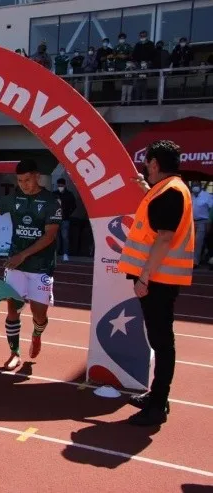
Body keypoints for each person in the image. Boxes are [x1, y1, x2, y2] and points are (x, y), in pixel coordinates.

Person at [119, 140, 195, 426]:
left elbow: (164, 237)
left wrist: (144, 276)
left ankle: (158, 403)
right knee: (159, 340)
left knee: (162, 343)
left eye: (147, 164)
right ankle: (156, 396)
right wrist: (145, 189)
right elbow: (160, 220)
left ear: (154, 163)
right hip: (159, 279)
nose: (146, 169)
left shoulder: (170, 192)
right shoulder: (166, 189)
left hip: (159, 280)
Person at [0, 159, 62, 371]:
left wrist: (23, 255)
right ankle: (14, 353)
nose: (24, 184)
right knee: (13, 309)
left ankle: (37, 334)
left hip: (41, 267)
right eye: (20, 181)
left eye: (27, 180)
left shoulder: (51, 202)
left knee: (39, 315)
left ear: (37, 177)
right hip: (15, 265)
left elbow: (49, 236)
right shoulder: (14, 198)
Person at [53, 178, 77, 261]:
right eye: (58, 185)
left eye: (61, 185)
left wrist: (67, 213)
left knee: (65, 237)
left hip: (65, 219)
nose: (60, 187)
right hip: (55, 219)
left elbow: (74, 206)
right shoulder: (54, 194)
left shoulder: (69, 194)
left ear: (65, 185)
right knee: (55, 237)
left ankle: (65, 254)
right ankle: (55, 253)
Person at [190, 181, 212, 266]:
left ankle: (195, 262)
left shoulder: (207, 196)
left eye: (196, 185)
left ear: (200, 186)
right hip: (192, 222)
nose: (195, 187)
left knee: (198, 241)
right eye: (193, 185)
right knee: (192, 242)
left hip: (203, 222)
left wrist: (209, 222)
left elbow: (211, 209)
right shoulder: (191, 195)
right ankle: (191, 259)